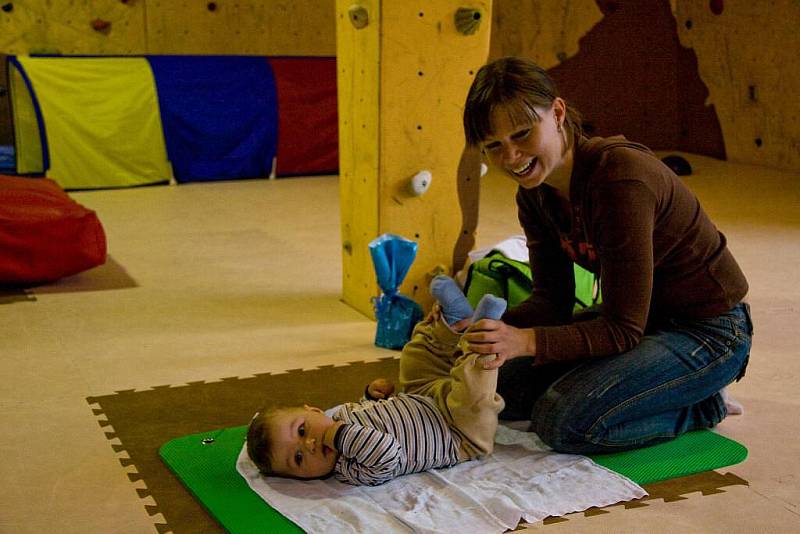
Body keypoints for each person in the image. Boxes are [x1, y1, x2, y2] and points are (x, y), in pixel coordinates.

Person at [459, 56, 753, 455]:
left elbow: (621, 329)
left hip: (708, 332)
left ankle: (702, 405)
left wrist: (525, 340)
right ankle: (656, 387)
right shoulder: (535, 193)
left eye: (523, 134)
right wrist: (487, 327)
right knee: (504, 385)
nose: (511, 157)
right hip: (644, 322)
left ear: (558, 113)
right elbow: (552, 301)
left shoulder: (621, 178)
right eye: (494, 146)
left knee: (562, 421)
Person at [245, 279, 506, 486]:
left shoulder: (341, 414)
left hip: (426, 399)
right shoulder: (352, 470)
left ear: (313, 410)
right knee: (475, 394)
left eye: (302, 431)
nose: (310, 444)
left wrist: (372, 396)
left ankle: (453, 323)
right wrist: (336, 434)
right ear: (302, 478)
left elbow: (366, 411)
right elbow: (387, 451)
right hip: (461, 433)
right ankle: (481, 335)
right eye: (299, 458)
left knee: (413, 360)